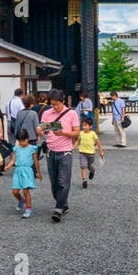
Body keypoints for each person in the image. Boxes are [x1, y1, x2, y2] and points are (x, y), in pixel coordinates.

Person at [39, 88, 80, 223]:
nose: (54, 107)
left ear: (62, 101)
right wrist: (39, 130)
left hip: (65, 152)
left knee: (63, 181)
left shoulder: (72, 113)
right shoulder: (46, 113)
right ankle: (63, 205)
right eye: (52, 104)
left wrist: (63, 133)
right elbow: (44, 131)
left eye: (57, 104)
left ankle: (58, 209)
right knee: (54, 184)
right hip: (51, 151)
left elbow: (76, 133)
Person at [5, 128, 41, 218]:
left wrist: (38, 172)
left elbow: (36, 161)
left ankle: (28, 209)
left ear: (27, 138)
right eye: (19, 141)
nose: (21, 143)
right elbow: (13, 160)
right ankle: (21, 201)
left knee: (26, 191)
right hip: (18, 171)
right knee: (15, 191)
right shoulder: (16, 149)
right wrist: (8, 166)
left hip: (28, 171)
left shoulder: (33, 148)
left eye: (23, 141)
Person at [77, 117, 105, 188]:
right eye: (83, 125)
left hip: (91, 154)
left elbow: (98, 143)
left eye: (85, 125)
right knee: (83, 166)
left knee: (89, 166)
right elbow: (78, 141)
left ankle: (92, 170)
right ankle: (84, 181)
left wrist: (101, 152)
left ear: (90, 126)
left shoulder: (93, 134)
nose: (83, 127)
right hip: (82, 153)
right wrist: (73, 146)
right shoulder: (81, 133)